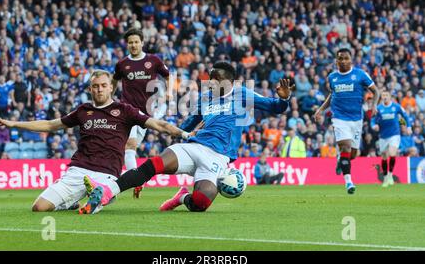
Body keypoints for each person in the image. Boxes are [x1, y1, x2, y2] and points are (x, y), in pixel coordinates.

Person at [79, 62, 294, 214]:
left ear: (225, 80)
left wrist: (284, 99)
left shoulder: (243, 94)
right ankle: (107, 192)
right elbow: (190, 122)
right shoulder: (206, 98)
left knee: (200, 203)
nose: (209, 82)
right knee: (154, 165)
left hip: (218, 158)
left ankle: (182, 196)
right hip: (195, 145)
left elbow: (275, 106)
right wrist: (176, 132)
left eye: (213, 79)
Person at [0, 70, 189, 212]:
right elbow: (51, 125)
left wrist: (184, 134)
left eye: (103, 86)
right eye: (95, 86)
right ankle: (71, 203)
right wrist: (13, 124)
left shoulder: (125, 110)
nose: (100, 90)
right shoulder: (83, 111)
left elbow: (159, 125)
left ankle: (100, 195)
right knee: (39, 208)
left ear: (111, 87)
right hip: (78, 170)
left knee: (98, 198)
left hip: (108, 175)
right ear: (90, 89)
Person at [112, 28, 170, 198]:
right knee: (130, 145)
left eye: (136, 41)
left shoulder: (153, 60)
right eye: (130, 42)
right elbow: (113, 81)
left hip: (146, 113)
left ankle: (135, 179)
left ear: (142, 42)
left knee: (131, 149)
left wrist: (169, 92)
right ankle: (135, 179)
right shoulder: (122, 64)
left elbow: (167, 75)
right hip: (127, 110)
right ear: (127, 44)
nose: (133, 45)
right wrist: (109, 96)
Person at [314, 48, 379, 194]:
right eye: (340, 59)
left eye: (346, 58)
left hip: (356, 119)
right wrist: (321, 109)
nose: (343, 61)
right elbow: (332, 96)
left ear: (351, 59)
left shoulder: (360, 74)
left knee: (353, 154)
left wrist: (373, 105)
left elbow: (376, 91)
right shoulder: (332, 77)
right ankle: (348, 181)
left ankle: (340, 160)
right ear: (336, 61)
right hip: (339, 118)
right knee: (345, 147)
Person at [371, 90, 411, 187]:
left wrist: (409, 127)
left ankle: (390, 174)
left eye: (386, 95)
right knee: (384, 156)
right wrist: (374, 125)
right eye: (383, 95)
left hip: (394, 134)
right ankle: (385, 178)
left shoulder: (396, 106)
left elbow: (405, 116)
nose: (384, 97)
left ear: (390, 97)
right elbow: (373, 119)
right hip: (383, 136)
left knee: (392, 153)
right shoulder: (379, 108)